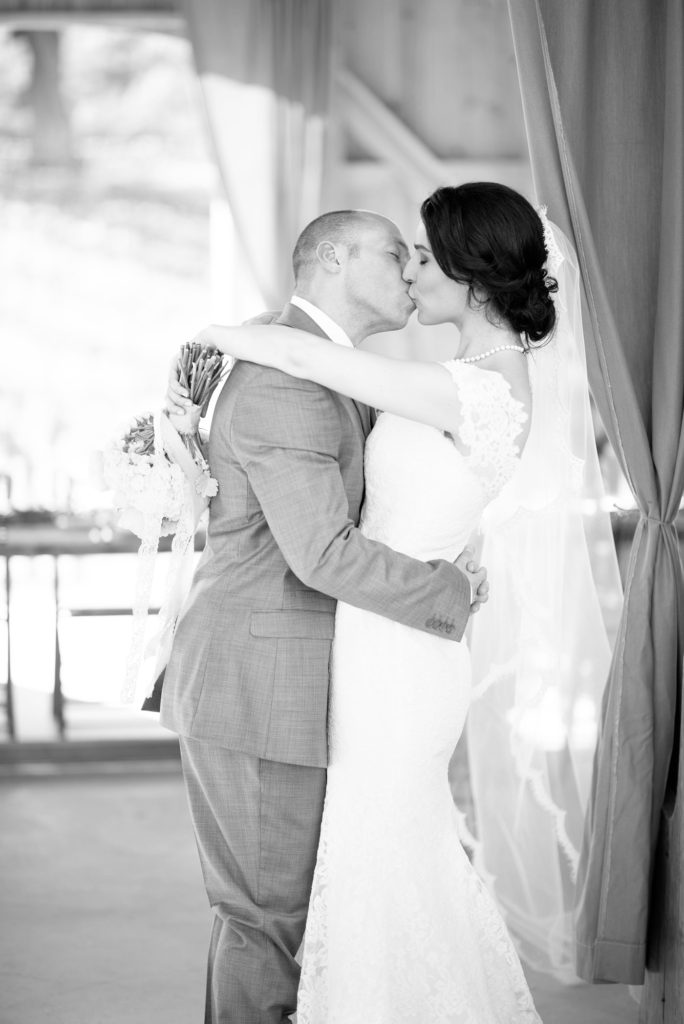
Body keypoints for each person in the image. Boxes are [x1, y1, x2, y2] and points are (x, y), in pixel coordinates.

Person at [168, 182, 578, 1022]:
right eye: (399, 253)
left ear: (472, 277)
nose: (411, 269)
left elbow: (321, 373)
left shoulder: (459, 385)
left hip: (390, 660)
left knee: (352, 885)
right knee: (294, 908)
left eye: (422, 255)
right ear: (335, 259)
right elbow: (338, 530)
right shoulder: (423, 376)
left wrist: (214, 338)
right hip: (320, 661)